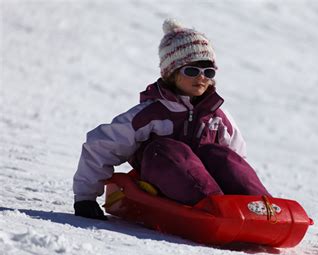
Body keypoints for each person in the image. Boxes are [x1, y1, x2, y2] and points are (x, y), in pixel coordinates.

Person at [73, 19, 271, 220]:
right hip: (160, 182)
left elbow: (237, 162)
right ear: (171, 73)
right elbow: (101, 146)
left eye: (208, 72)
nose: (201, 77)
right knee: (168, 150)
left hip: (211, 187)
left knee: (219, 154)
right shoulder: (151, 114)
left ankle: (262, 208)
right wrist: (85, 198)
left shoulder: (217, 116)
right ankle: (215, 209)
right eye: (192, 70)